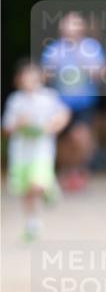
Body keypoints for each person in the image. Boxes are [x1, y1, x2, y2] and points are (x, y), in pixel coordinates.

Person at [2, 60, 70, 240]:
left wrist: (55, 125)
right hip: (20, 154)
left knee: (36, 184)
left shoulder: (48, 96)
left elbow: (63, 114)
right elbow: (7, 127)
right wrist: (18, 124)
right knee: (25, 191)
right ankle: (32, 223)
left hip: (41, 151)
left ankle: (48, 188)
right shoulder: (15, 100)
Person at [41, 11, 106, 191]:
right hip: (60, 103)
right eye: (68, 24)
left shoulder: (91, 48)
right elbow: (45, 77)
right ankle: (67, 172)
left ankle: (80, 170)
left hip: (84, 102)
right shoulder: (53, 49)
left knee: (81, 137)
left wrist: (85, 63)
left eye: (75, 24)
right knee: (64, 141)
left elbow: (100, 75)